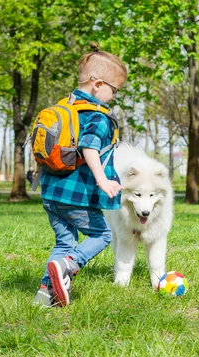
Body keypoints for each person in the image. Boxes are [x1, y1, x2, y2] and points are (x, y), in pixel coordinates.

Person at [33, 44, 126, 308]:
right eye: (114, 90)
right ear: (97, 84)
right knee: (103, 235)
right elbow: (90, 147)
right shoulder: (96, 116)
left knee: (65, 242)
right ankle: (69, 266)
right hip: (76, 196)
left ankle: (45, 294)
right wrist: (102, 179)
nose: (114, 96)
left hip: (51, 193)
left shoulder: (64, 107)